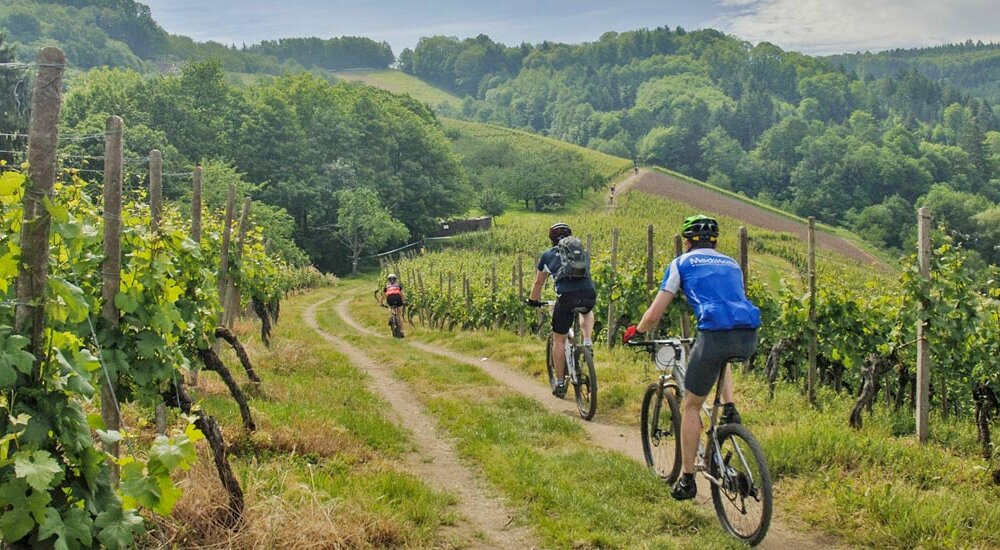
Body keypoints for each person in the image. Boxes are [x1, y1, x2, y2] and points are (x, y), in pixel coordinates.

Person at [622, 214, 761, 501]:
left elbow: (656, 311)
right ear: (716, 241)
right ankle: (731, 407)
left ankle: (687, 479)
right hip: (748, 334)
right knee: (722, 357)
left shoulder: (682, 263)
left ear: (686, 242)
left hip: (713, 335)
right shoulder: (732, 263)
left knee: (691, 407)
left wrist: (638, 330)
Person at [526, 222, 596, 398]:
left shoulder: (548, 255)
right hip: (588, 293)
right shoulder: (581, 252)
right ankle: (587, 341)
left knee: (559, 339)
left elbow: (538, 283)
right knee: (586, 311)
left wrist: (532, 300)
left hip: (565, 298)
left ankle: (559, 382)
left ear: (551, 239)